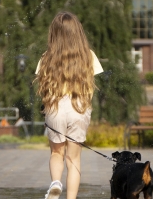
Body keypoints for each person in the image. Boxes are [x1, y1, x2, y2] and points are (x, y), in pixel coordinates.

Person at [35, 11, 103, 199]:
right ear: (78, 32)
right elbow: (90, 83)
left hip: (55, 107)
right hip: (79, 106)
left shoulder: (46, 57)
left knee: (56, 153)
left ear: (54, 33)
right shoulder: (88, 56)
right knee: (73, 160)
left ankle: (56, 184)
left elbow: (44, 87)